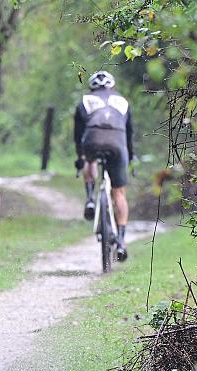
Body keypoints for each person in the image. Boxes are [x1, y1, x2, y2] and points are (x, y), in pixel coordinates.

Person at [74, 71, 134, 261]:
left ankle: (91, 198)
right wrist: (130, 158)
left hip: (92, 139)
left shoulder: (85, 100)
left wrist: (80, 157)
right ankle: (122, 242)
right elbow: (129, 134)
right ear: (112, 87)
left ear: (92, 87)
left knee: (89, 160)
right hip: (118, 142)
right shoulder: (122, 101)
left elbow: (78, 134)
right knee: (119, 193)